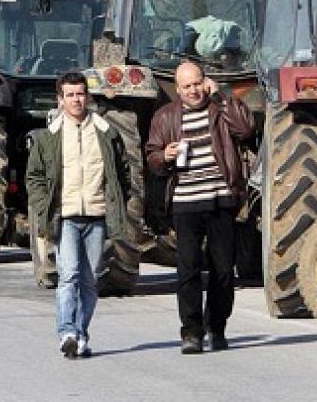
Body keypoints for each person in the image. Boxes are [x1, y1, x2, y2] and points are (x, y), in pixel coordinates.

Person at [144, 61, 255, 354]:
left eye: (197, 84)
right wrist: (164, 155)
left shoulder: (220, 108)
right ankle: (191, 332)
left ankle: (216, 327)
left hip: (220, 198)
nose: (194, 91)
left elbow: (245, 130)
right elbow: (152, 157)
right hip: (185, 202)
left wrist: (221, 97)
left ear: (205, 82)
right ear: (178, 90)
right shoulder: (165, 116)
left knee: (222, 271)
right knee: (188, 270)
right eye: (187, 86)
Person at [26, 71, 131, 359]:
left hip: (97, 216)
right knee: (68, 275)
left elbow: (123, 171)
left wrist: (119, 201)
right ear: (60, 100)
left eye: (80, 94)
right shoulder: (49, 137)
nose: (76, 99)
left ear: (88, 96)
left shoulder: (106, 133)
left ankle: (82, 334)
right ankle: (67, 332)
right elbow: (33, 176)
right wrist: (43, 204)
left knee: (90, 280)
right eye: (70, 95)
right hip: (67, 217)